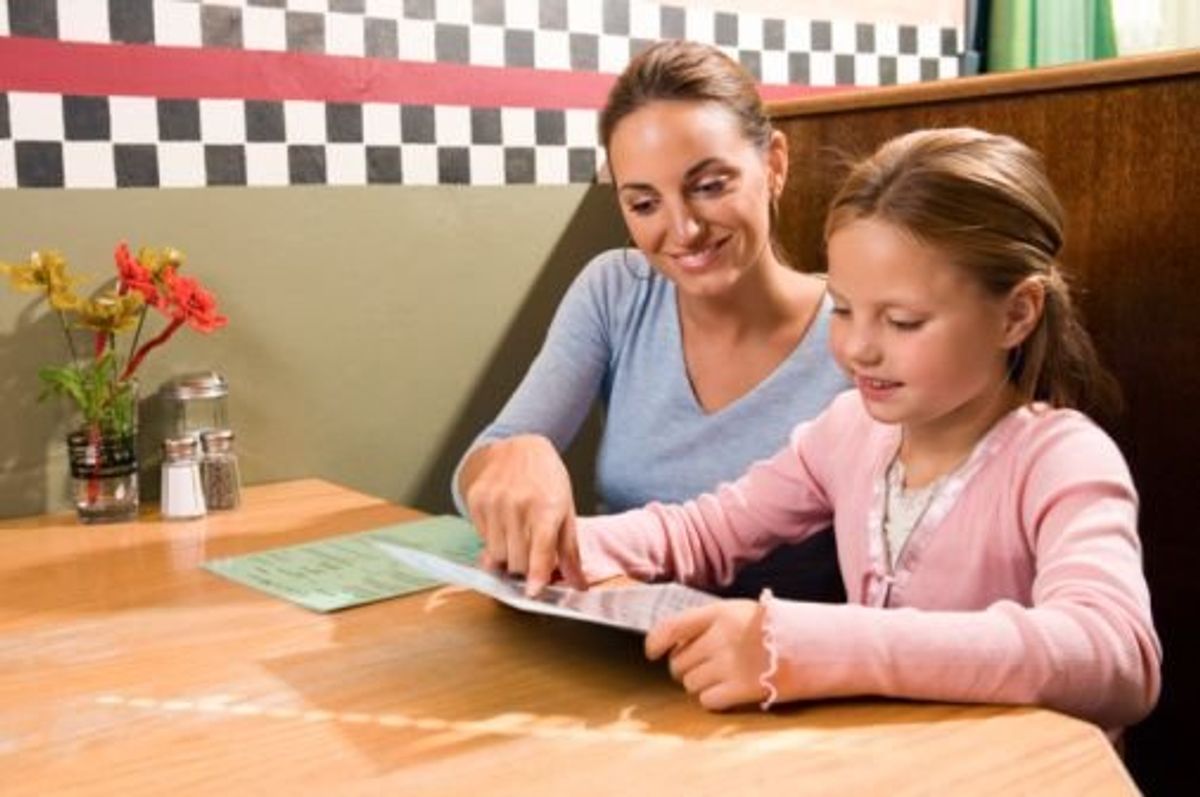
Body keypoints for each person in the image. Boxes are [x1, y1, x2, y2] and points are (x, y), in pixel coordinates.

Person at [494, 127, 1163, 731]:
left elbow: (1116, 654)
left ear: (1016, 315)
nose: (860, 349)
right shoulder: (849, 432)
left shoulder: (1062, 458)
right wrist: (563, 543)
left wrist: (805, 642)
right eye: (843, 310)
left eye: (902, 321)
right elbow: (707, 531)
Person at [453, 41, 850, 601]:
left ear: (775, 164)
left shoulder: (866, 331)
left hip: (780, 671)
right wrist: (513, 454)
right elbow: (474, 474)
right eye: (643, 204)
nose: (683, 230)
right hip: (610, 647)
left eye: (711, 186)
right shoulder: (617, 290)